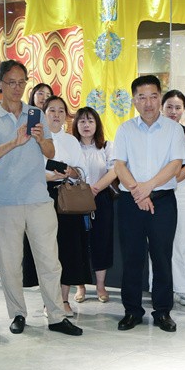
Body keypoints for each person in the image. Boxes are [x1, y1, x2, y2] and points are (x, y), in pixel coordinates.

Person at [0, 59, 82, 336]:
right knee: (10, 265)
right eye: (11, 82)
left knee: (49, 262)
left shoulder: (36, 113)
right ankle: (17, 314)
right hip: (5, 201)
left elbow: (50, 152)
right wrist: (15, 142)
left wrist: (39, 139)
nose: (17, 87)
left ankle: (56, 316)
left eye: (22, 82)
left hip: (38, 199)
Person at [112, 74, 185, 333]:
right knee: (132, 257)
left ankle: (163, 311)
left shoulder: (173, 129)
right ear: (134, 100)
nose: (148, 103)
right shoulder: (125, 129)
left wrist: (148, 187)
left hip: (163, 202)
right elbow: (119, 165)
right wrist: (138, 192)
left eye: (153, 96)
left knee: (162, 257)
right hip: (130, 202)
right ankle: (132, 311)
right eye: (142, 97)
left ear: (160, 98)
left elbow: (175, 165)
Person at [22, 95, 90, 317]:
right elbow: (25, 171)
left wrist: (71, 172)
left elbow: (83, 171)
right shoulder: (32, 139)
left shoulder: (71, 141)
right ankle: (49, 300)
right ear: (44, 114)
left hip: (67, 197)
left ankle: (64, 299)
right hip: (40, 195)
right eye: (52, 110)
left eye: (61, 110)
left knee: (67, 249)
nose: (57, 114)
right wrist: (46, 176)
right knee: (45, 250)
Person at [72, 106, 117, 304]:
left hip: (101, 198)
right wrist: (84, 190)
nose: (86, 125)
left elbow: (114, 170)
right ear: (76, 125)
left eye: (90, 121)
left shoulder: (106, 146)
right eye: (82, 121)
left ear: (97, 124)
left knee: (102, 241)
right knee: (78, 242)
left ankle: (100, 285)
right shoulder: (71, 146)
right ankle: (80, 286)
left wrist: (96, 188)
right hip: (75, 198)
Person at [162, 89, 185, 306]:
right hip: (158, 190)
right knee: (158, 242)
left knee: (183, 240)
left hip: (181, 190)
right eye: (169, 107)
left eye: (177, 107)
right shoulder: (155, 132)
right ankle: (158, 286)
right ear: (162, 108)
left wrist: (169, 180)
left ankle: (183, 289)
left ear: (184, 110)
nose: (173, 111)